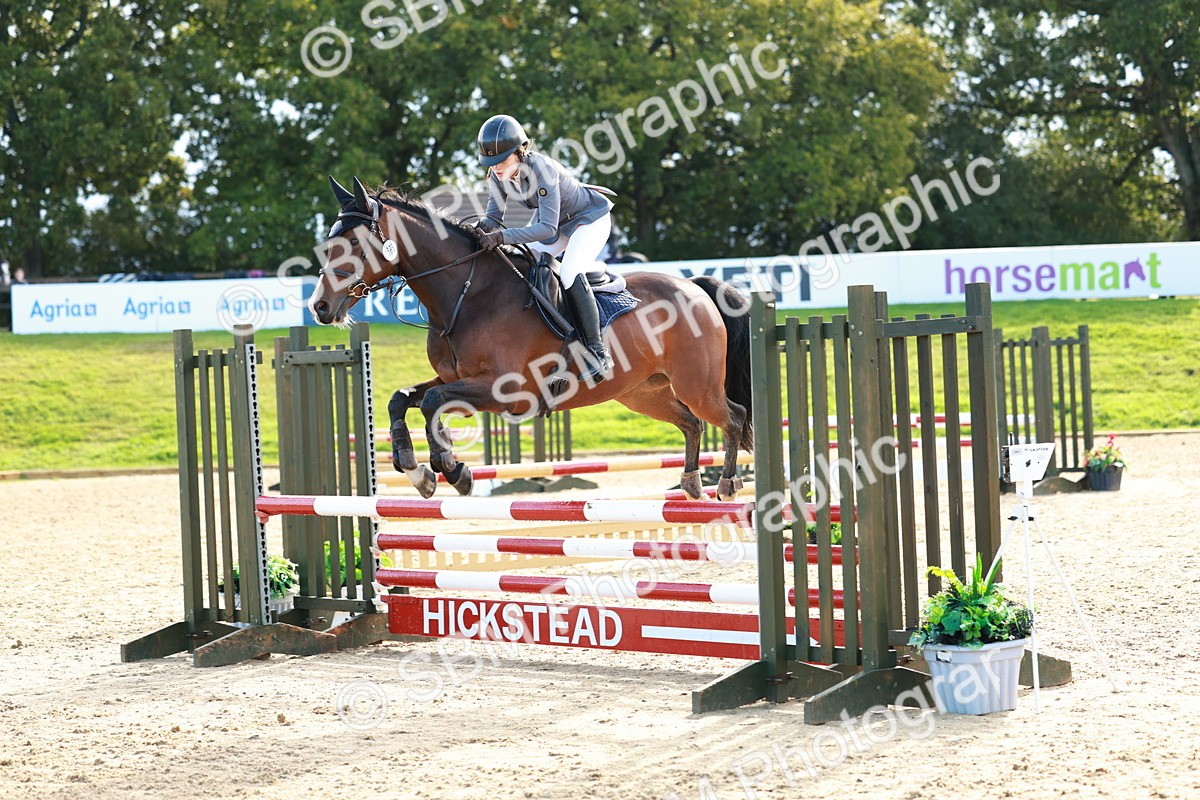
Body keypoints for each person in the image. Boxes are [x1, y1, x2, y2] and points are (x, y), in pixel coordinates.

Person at [474, 114, 616, 384]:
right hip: (558, 225)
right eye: (491, 163)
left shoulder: (542, 170)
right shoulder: (497, 175)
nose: (496, 168)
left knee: (570, 272)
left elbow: (547, 230)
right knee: (524, 264)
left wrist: (503, 237)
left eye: (501, 160)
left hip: (588, 219)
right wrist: (474, 231)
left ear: (520, 151)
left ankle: (598, 352)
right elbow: (493, 218)